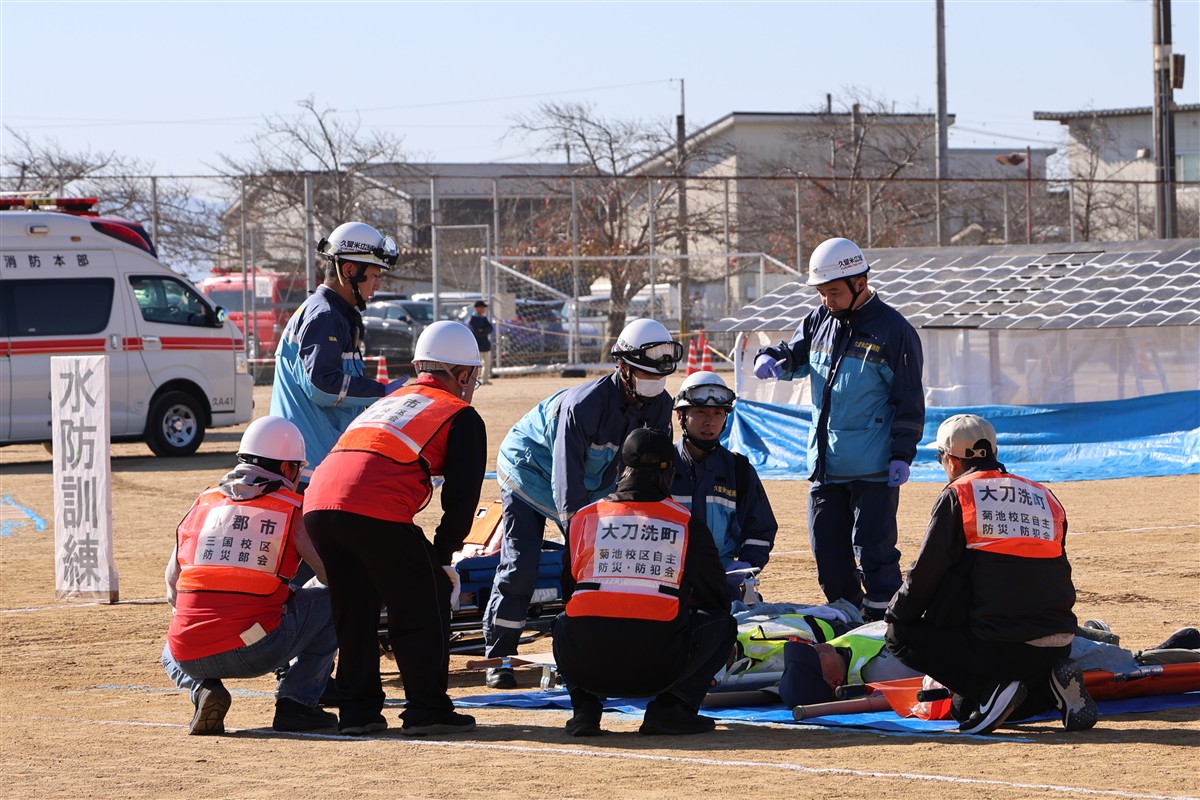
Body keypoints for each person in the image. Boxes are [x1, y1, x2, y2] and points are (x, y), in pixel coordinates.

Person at [303, 320, 487, 737]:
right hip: (372, 509)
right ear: (462, 375)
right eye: (473, 376)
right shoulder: (458, 413)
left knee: (355, 609)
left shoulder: (393, 400)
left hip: (318, 505)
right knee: (426, 598)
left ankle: (358, 711)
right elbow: (462, 498)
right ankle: (427, 709)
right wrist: (443, 555)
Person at [481, 318, 683, 689]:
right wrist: (578, 529)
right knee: (522, 563)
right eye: (644, 373)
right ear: (622, 367)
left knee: (595, 567)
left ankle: (579, 650)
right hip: (530, 471)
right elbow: (566, 480)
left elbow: (651, 472)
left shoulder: (660, 404)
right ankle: (500, 655)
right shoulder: (583, 405)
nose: (654, 383)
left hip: (590, 481)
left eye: (660, 375)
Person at [883, 414, 1098, 735]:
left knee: (899, 635)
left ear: (952, 459)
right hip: (1058, 640)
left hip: (999, 643)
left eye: (940, 457)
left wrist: (896, 614)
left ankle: (990, 689)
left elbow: (925, 574)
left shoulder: (960, 495)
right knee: (962, 707)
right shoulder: (1043, 495)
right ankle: (1052, 686)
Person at [753, 237, 924, 621]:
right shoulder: (818, 321)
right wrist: (774, 357)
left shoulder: (894, 331)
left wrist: (902, 454)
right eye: (821, 292)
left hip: (875, 469)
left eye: (833, 291)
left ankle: (885, 628)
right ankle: (847, 619)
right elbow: (794, 354)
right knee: (829, 554)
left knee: (875, 553)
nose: (826, 300)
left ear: (860, 282)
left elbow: (909, 400)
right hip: (826, 467)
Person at [552, 427, 737, 736]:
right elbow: (715, 598)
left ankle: (585, 710)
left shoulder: (583, 518)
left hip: (584, 665)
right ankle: (671, 709)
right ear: (670, 474)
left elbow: (569, 593)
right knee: (722, 624)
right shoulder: (684, 522)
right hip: (656, 669)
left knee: (562, 620)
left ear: (621, 468)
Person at [160, 415, 339, 735]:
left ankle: (202, 688)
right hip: (255, 643)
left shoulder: (204, 502)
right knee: (334, 601)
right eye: (298, 469)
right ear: (287, 469)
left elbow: (172, 585)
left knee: (173, 641)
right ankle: (297, 702)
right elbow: (332, 577)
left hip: (188, 652)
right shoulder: (291, 508)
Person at [270, 221, 407, 489]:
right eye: (375, 275)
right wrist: (381, 393)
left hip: (311, 459)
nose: (378, 285)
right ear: (349, 271)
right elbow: (321, 385)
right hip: (310, 466)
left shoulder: (331, 313)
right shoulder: (325, 316)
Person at [669, 370, 778, 598]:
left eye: (718, 413)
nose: (710, 421)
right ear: (681, 416)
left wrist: (746, 564)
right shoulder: (661, 466)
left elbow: (760, 529)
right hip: (667, 580)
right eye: (700, 412)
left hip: (720, 584)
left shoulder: (739, 470)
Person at [468, 300, 495, 384]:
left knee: (487, 363)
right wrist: (483, 331)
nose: (484, 309)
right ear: (477, 308)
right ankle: (477, 380)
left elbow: (490, 328)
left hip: (485, 345)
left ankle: (485, 379)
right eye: (482, 308)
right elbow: (474, 332)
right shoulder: (472, 319)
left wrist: (482, 331)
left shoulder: (483, 318)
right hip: (477, 346)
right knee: (477, 364)